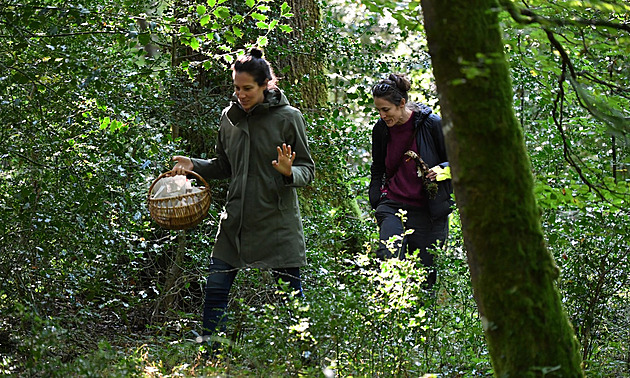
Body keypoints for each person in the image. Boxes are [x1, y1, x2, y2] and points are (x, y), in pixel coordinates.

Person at [171, 48, 315, 341]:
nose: (241, 94)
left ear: (266, 84)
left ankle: (307, 359)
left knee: (292, 299)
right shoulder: (229, 118)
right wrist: (192, 165)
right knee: (215, 291)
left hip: (277, 222)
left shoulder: (289, 118)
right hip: (235, 220)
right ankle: (210, 352)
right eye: (236, 88)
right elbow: (224, 165)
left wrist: (289, 171)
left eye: (248, 88)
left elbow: (307, 170)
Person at [369, 73, 454, 289]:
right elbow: (378, 167)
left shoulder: (432, 125)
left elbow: (459, 160)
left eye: (385, 109)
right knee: (388, 263)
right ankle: (388, 318)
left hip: (429, 213)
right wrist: (376, 199)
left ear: (402, 103)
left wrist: (443, 170)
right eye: (378, 110)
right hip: (393, 206)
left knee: (426, 280)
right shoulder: (380, 130)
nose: (381, 115)